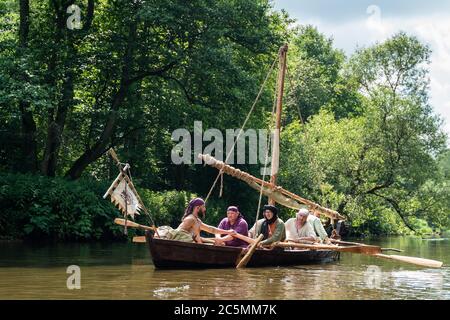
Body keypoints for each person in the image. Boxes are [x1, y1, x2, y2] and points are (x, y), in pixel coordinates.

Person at [158, 198, 234, 243]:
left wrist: (228, 232)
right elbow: (196, 239)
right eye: (203, 207)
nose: (205, 209)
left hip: (190, 244)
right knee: (219, 244)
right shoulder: (191, 219)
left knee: (220, 244)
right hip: (183, 244)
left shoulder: (196, 220)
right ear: (197, 208)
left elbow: (211, 229)